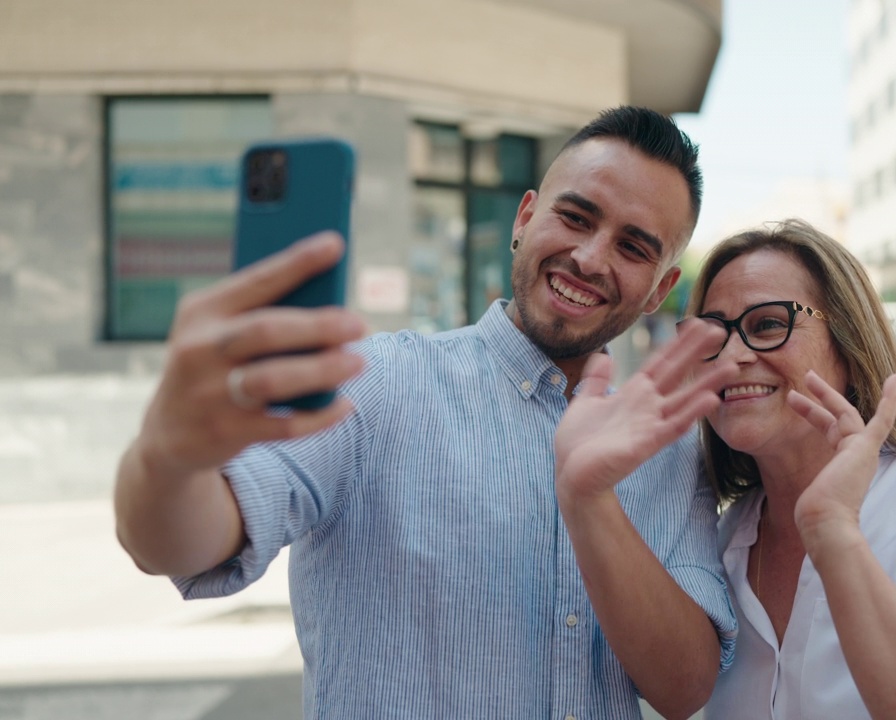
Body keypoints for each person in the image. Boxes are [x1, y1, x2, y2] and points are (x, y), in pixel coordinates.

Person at [113, 106, 739, 720]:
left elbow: (684, 690)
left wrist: (593, 501)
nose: (591, 258)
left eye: (633, 247)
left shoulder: (672, 448)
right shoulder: (374, 384)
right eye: (575, 217)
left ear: (660, 289)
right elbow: (184, 545)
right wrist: (168, 458)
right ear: (525, 218)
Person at [561, 219, 896, 718]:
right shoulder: (724, 539)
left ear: (847, 345)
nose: (732, 355)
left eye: (769, 325)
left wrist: (833, 534)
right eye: (711, 334)